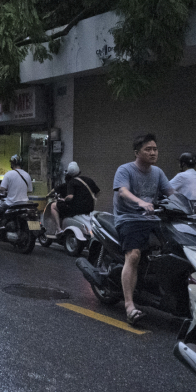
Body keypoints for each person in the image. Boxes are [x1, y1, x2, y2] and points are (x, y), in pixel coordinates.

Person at [113, 133, 174, 325]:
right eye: (148, 149)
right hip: (129, 218)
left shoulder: (158, 172)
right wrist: (140, 202)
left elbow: (172, 193)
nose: (153, 153)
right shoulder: (125, 170)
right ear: (137, 152)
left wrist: (194, 205)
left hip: (152, 218)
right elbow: (123, 191)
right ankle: (129, 306)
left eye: (155, 149)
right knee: (134, 255)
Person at [46, 162, 100, 235]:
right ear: (79, 171)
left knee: (53, 206)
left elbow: (70, 197)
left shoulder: (71, 182)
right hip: (89, 208)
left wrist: (64, 199)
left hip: (76, 209)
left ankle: (59, 229)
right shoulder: (88, 180)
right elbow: (98, 192)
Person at [0, 155, 33, 236]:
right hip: (25, 203)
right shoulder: (27, 175)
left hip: (11, 202)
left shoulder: (9, 174)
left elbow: (2, 188)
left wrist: (7, 191)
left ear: (12, 163)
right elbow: (30, 190)